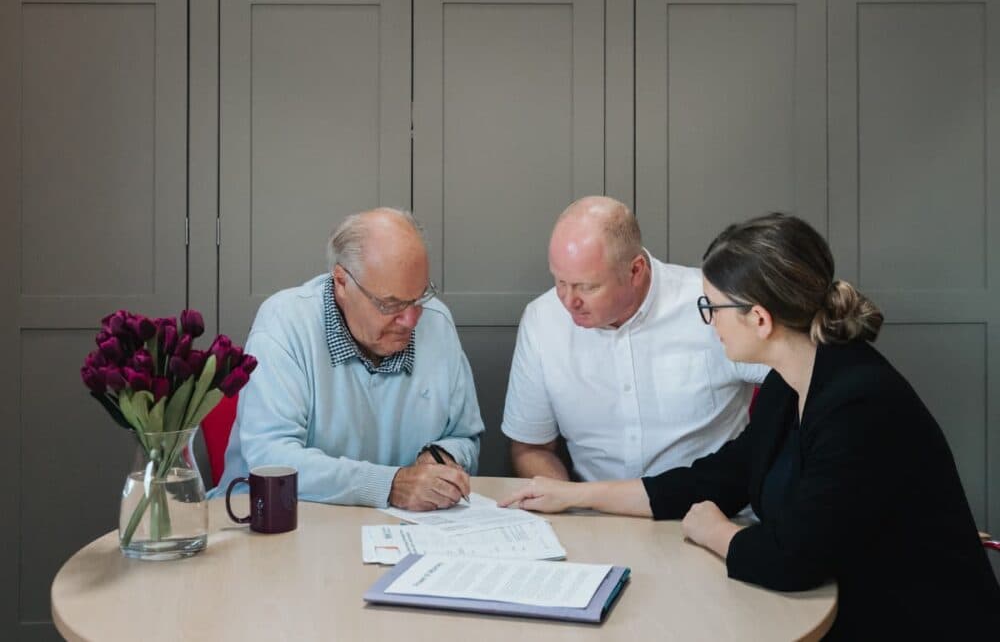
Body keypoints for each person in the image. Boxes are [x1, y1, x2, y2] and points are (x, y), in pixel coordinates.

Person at [501, 213, 1000, 638]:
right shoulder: (793, 381)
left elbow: (793, 558)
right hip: (849, 607)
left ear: (759, 319)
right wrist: (577, 496)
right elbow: (720, 476)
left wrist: (715, 531)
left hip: (914, 623)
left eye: (712, 308)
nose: (708, 322)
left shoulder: (858, 402)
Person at [213, 208, 484, 510]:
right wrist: (390, 485)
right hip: (276, 521)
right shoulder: (285, 323)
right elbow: (272, 458)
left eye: (419, 297)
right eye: (390, 303)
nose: (410, 319)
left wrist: (439, 458)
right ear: (342, 282)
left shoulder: (437, 322)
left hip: (397, 529)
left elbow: (464, 435)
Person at [501, 196, 768, 482]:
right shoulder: (543, 320)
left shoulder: (711, 304)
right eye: (560, 282)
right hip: (593, 517)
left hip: (712, 510)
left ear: (635, 271)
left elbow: (802, 382)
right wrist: (562, 500)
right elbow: (530, 447)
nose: (568, 301)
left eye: (587, 286)